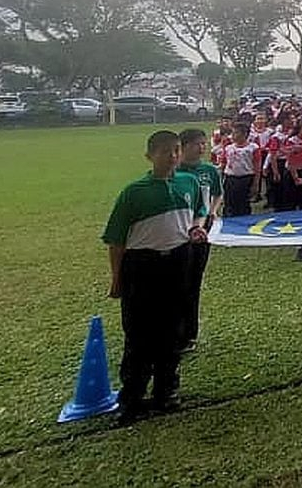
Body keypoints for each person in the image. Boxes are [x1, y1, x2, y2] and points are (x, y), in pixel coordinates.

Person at [103, 130, 208, 422]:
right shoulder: (134, 192)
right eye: (165, 152)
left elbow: (199, 210)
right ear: (149, 156)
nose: (172, 156)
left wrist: (196, 226)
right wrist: (116, 277)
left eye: (176, 150)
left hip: (178, 260)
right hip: (142, 265)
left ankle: (167, 391)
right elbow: (117, 239)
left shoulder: (188, 182)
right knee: (138, 332)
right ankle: (132, 397)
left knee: (173, 328)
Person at [176, 129, 223, 353]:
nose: (202, 148)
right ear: (183, 146)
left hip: (202, 230)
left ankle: (189, 334)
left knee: (193, 280)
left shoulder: (209, 170)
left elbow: (217, 193)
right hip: (177, 230)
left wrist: (212, 212)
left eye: (204, 144)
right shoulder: (174, 171)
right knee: (176, 283)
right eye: (197, 144)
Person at [220, 123, 260, 217]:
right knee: (229, 203)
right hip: (230, 178)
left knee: (243, 204)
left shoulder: (253, 148)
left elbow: (257, 167)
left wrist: (255, 183)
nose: (232, 136)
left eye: (235, 133)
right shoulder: (228, 148)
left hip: (245, 179)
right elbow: (223, 164)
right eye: (232, 133)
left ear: (245, 134)